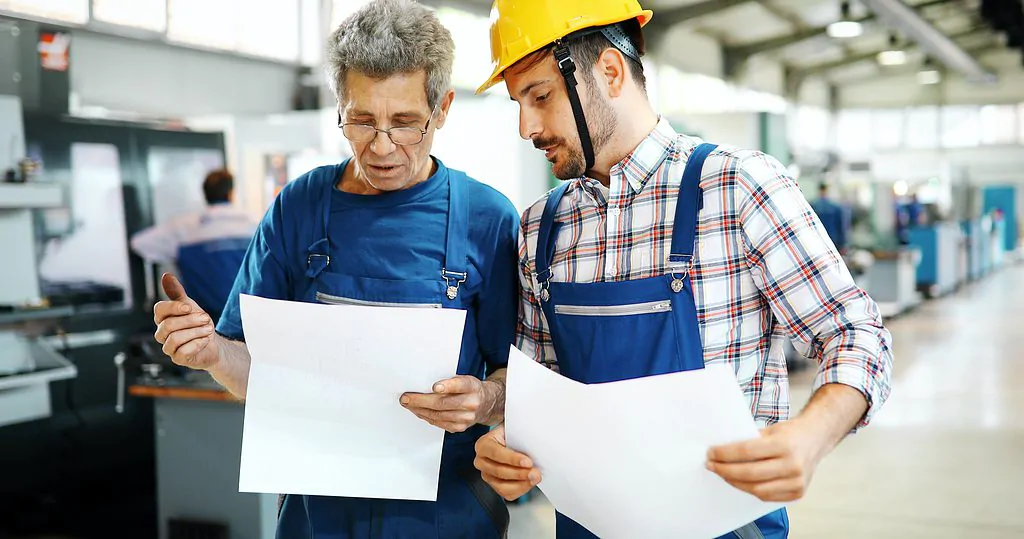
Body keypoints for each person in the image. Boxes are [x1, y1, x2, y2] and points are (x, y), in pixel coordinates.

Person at [471, 1, 894, 538]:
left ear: (610, 72)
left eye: (540, 97)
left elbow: (855, 333)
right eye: (518, 103)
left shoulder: (736, 186)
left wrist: (809, 438)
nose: (526, 127)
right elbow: (544, 387)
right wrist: (510, 444)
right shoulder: (541, 227)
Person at [149, 1, 519, 537]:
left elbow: (517, 381)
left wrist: (485, 399)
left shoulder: (487, 219)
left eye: (405, 123)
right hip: (316, 514)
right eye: (361, 120)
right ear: (339, 108)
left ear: (442, 109)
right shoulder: (298, 207)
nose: (382, 147)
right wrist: (211, 353)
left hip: (445, 510)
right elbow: (254, 369)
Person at [130, 169, 258, 322]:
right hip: (247, 316)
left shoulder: (184, 228)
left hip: (202, 319)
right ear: (231, 193)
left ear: (205, 194)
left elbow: (139, 243)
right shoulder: (255, 224)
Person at [810, 183, 849, 254]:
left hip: (817, 239)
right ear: (827, 190)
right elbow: (840, 226)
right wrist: (842, 244)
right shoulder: (835, 207)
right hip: (832, 239)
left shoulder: (812, 206)